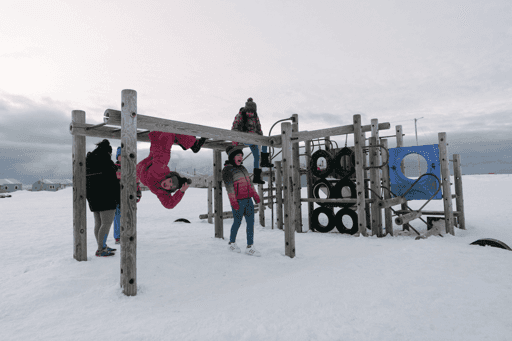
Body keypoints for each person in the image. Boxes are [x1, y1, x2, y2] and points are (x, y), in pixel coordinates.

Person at [136, 131, 206, 209]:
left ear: (171, 190)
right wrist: (182, 190)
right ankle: (191, 144)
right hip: (146, 167)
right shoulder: (160, 167)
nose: (168, 185)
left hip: (143, 168)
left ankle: (191, 143)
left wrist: (181, 192)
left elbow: (169, 205)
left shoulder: (162, 192)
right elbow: (162, 149)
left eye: (171, 186)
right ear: (167, 177)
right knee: (162, 135)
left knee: (166, 133)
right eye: (170, 182)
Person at [222, 145, 261, 257]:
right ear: (232, 157)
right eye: (238, 155)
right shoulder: (227, 170)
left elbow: (250, 184)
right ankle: (232, 243)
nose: (241, 157)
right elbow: (229, 188)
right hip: (238, 201)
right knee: (237, 222)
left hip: (248, 200)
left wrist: (255, 195)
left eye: (242, 155)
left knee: (250, 223)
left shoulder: (243, 169)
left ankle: (250, 246)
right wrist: (233, 202)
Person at [85, 139, 120, 257]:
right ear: (108, 152)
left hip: (93, 198)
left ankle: (102, 246)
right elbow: (113, 183)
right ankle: (101, 249)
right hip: (106, 197)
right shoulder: (106, 162)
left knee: (98, 223)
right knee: (106, 223)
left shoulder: (89, 161)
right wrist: (118, 199)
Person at [231, 98, 273, 185]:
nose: (250, 114)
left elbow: (258, 128)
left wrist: (261, 137)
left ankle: (257, 176)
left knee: (258, 153)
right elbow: (235, 128)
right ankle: (263, 162)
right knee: (260, 144)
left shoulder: (255, 117)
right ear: (245, 110)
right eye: (248, 111)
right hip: (244, 137)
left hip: (253, 138)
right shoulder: (240, 116)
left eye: (252, 112)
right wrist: (235, 141)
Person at [113, 146, 142, 244]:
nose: (123, 158)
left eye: (125, 155)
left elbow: (136, 183)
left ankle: (130, 234)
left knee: (130, 216)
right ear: (117, 157)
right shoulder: (113, 167)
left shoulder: (132, 168)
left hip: (129, 197)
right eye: (120, 155)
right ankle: (118, 237)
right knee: (117, 217)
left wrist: (137, 194)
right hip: (116, 198)